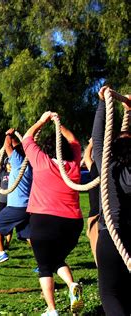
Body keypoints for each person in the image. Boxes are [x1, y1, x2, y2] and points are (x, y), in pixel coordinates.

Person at [22, 111, 84, 315]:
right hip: (72, 224)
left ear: (46, 150)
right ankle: (72, 285)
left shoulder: (41, 163)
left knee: (44, 266)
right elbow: (74, 140)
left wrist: (41, 121)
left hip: (44, 221)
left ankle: (51, 309)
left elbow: (27, 138)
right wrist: (60, 124)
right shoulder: (74, 166)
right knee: (56, 259)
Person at [92, 86, 131, 315]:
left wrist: (102, 104)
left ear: (112, 149)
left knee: (110, 294)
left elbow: (99, 139)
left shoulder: (107, 165)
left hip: (111, 237)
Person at [0, 128, 33, 265]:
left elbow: (7, 146)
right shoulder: (30, 165)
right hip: (27, 207)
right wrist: (15, 136)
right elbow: (14, 146)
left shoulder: (17, 162)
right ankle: (42, 260)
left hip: (16, 206)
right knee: (27, 235)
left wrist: (8, 134)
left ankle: (1, 253)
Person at [82, 138, 100, 265]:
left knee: (97, 251)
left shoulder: (95, 168)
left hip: (96, 215)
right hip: (99, 215)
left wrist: (91, 143)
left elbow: (87, 156)